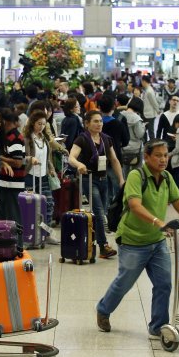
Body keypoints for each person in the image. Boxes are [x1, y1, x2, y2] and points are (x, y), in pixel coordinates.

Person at [95, 139, 179, 336]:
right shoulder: (136, 176)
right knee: (124, 283)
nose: (163, 159)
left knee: (164, 284)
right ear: (146, 157)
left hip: (157, 241)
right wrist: (158, 221)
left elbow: (178, 202)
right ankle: (103, 310)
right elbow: (135, 205)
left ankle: (158, 327)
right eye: (158, 155)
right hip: (133, 241)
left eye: (165, 155)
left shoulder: (166, 176)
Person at [68, 110, 125, 259]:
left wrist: (121, 179)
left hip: (103, 180)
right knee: (99, 212)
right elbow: (71, 157)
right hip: (89, 179)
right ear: (87, 124)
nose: (99, 124)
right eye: (95, 121)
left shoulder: (106, 139)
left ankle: (100, 243)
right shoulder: (82, 139)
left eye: (100, 121)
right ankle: (103, 246)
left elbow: (114, 160)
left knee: (103, 213)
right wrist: (79, 164)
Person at [23, 110, 59, 245]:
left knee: (49, 204)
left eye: (44, 124)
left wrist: (51, 169)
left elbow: (47, 157)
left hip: (43, 176)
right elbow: (21, 157)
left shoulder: (44, 139)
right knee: (30, 206)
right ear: (32, 123)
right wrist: (29, 159)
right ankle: (29, 235)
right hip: (29, 176)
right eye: (39, 124)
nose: (42, 126)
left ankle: (46, 233)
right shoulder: (26, 139)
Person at [0, 109, 26, 247]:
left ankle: (18, 245)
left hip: (13, 184)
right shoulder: (8, 136)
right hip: (7, 183)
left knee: (14, 217)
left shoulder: (14, 137)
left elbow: (18, 162)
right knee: (6, 216)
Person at [100, 95, 130, 206]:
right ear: (114, 106)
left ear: (99, 107)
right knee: (119, 188)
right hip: (116, 158)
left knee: (104, 189)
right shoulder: (120, 121)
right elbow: (126, 141)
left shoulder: (96, 123)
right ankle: (117, 212)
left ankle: (105, 212)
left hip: (100, 160)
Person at [120, 97, 146, 178]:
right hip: (135, 150)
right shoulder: (137, 119)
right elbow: (139, 134)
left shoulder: (120, 115)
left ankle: (124, 188)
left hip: (123, 148)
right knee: (137, 173)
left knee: (124, 172)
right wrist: (143, 127)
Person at [141, 75, 160, 141]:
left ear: (144, 81)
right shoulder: (148, 89)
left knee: (150, 131)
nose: (141, 83)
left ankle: (152, 145)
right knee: (144, 130)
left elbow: (154, 102)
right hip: (147, 113)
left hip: (149, 115)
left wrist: (158, 110)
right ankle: (146, 143)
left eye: (142, 81)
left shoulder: (149, 91)